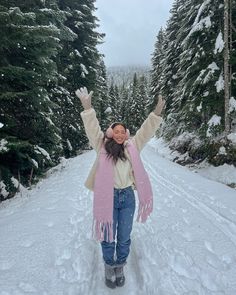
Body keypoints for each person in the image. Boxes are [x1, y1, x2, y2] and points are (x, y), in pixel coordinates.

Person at [75, 87, 165, 289]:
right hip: (107, 197)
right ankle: (109, 265)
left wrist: (156, 112)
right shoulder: (102, 146)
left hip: (127, 198)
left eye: (122, 132)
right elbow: (92, 128)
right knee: (107, 235)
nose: (119, 134)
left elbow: (146, 130)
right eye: (116, 131)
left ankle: (120, 265)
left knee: (124, 236)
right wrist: (87, 107)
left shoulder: (133, 146)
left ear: (126, 134)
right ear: (110, 133)